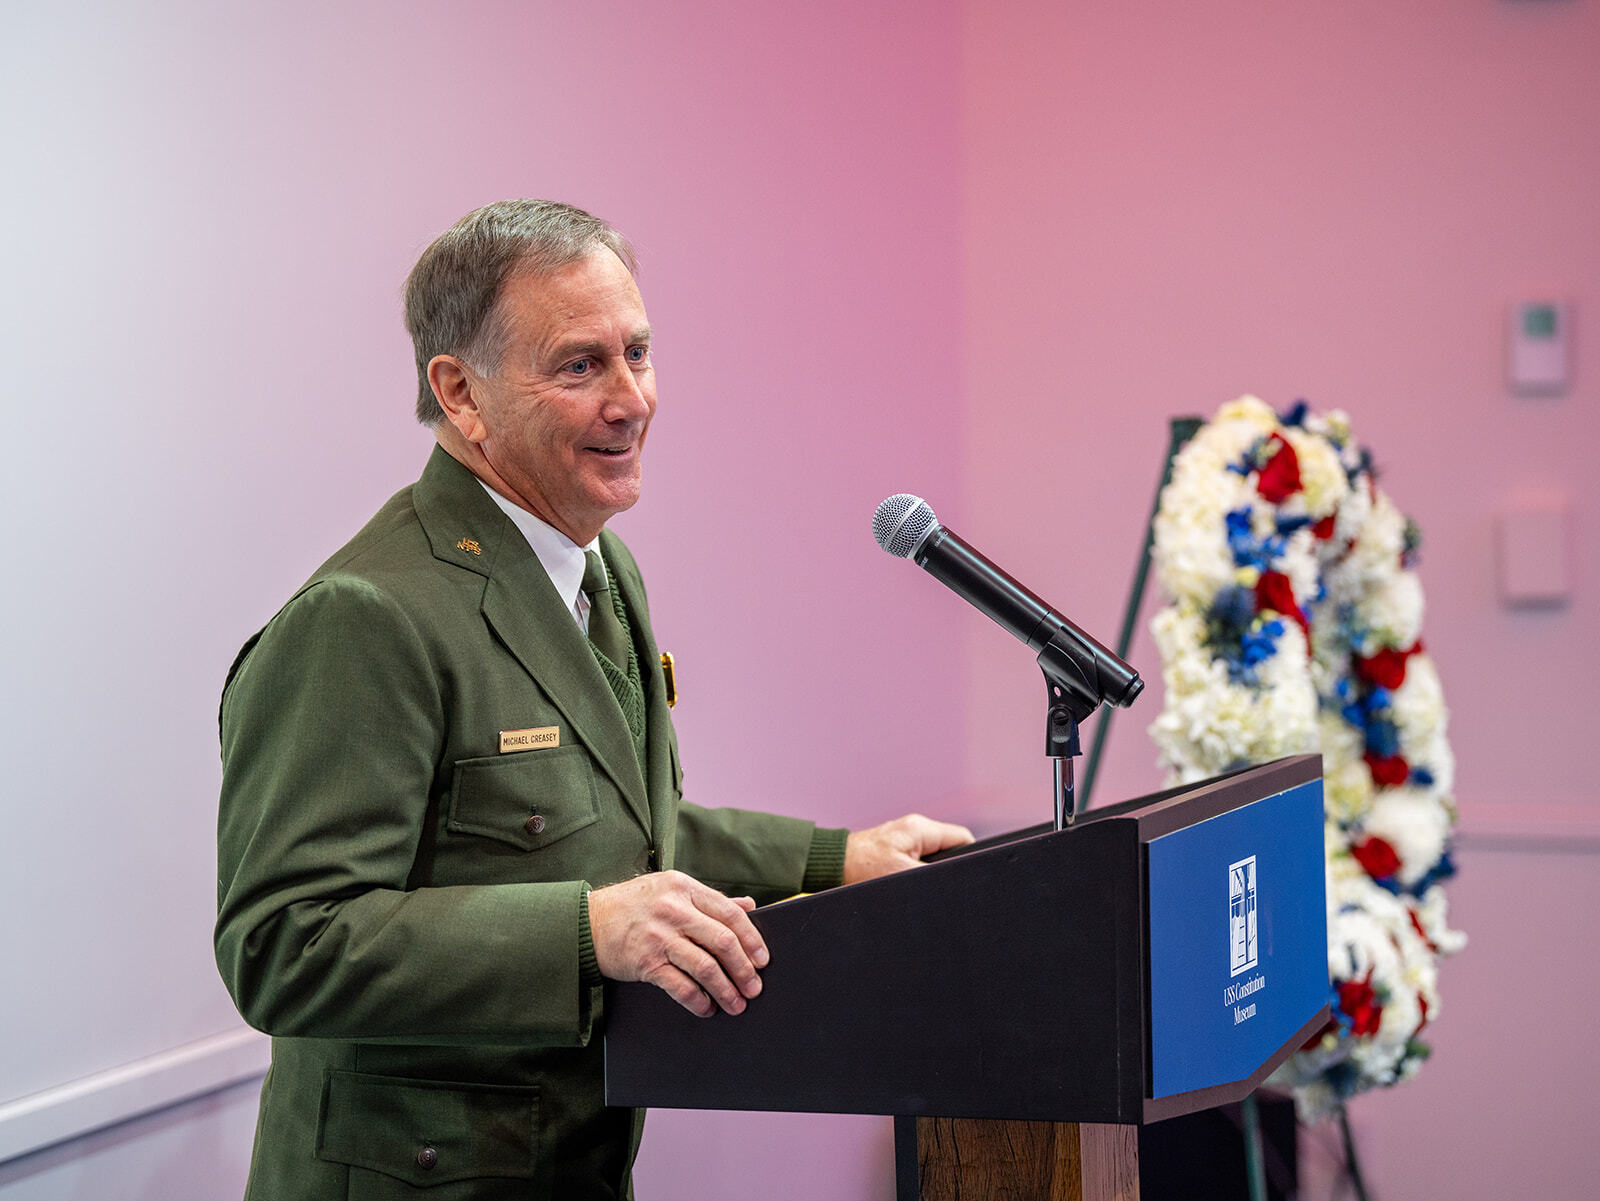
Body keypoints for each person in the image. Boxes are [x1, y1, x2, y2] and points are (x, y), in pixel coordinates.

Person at [214, 199, 973, 1200]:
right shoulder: (365, 615)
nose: (632, 400)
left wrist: (840, 860)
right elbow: (285, 944)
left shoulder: (599, 569)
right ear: (460, 393)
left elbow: (619, 835)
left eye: (639, 353)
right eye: (580, 366)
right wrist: (587, 932)